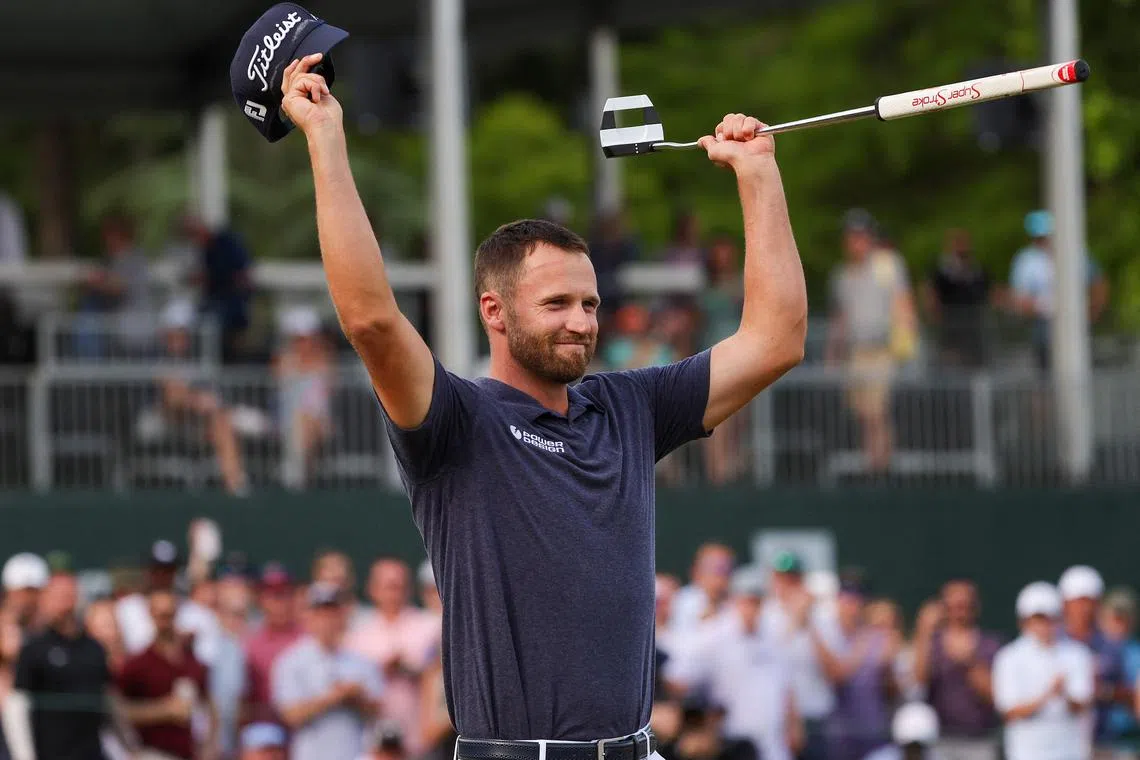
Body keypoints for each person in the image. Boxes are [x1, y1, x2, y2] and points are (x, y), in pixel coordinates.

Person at [273, 30, 805, 760]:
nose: (582, 322)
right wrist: (326, 136)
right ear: (494, 311)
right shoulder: (456, 421)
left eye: (589, 305)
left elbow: (777, 339)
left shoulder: (630, 408)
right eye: (557, 304)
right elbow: (369, 319)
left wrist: (758, 175)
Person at [666, 568, 802, 760]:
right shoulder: (712, 635)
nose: (751, 608)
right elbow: (678, 680)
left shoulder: (773, 636)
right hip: (731, 744)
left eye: (757, 601)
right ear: (734, 600)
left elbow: (785, 685)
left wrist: (794, 724)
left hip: (773, 744)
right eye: (746, 600)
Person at [3, 570, 138, 760]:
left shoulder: (94, 648)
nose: (63, 603)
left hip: (92, 753)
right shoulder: (34, 649)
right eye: (57, 596)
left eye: (68, 595)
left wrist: (130, 745)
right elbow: (17, 707)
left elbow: (109, 700)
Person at [825, 208, 917, 475]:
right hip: (856, 352)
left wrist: (906, 347)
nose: (857, 241)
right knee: (863, 413)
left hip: (882, 350)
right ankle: (872, 463)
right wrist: (833, 354)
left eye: (861, 235)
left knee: (878, 412)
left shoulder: (887, 265)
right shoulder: (842, 275)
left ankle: (880, 465)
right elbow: (840, 319)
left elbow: (903, 305)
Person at [271, 582, 384, 760]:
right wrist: (334, 696)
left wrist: (356, 697)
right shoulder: (291, 661)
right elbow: (290, 715)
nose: (326, 620)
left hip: (355, 753)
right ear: (308, 616)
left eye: (332, 613)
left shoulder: (361, 660)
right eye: (320, 613)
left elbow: (377, 711)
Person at [345, 558, 440, 757]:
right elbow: (351, 687)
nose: (394, 593)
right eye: (389, 586)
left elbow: (439, 680)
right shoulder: (357, 634)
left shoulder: (430, 626)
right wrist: (380, 670)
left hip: (420, 743)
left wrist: (409, 669)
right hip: (373, 744)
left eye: (400, 586)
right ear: (373, 589)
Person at [992, 581, 1094, 760]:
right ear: (1024, 621)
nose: (1045, 625)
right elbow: (1009, 710)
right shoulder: (1009, 657)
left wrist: (1063, 694)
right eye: (1039, 618)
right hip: (1026, 753)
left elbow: (1083, 704)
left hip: (1070, 752)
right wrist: (1047, 695)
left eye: (1050, 618)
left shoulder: (1078, 654)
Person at [116, 588, 219, 760]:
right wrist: (164, 710)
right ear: (150, 615)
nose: (165, 620)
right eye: (160, 614)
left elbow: (211, 706)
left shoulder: (192, 662)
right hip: (151, 752)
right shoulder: (137, 664)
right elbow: (121, 711)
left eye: (169, 614)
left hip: (188, 751)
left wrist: (210, 745)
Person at [911, 579, 1002, 760]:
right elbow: (918, 681)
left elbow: (996, 696)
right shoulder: (932, 644)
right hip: (940, 739)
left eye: (963, 606)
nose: (958, 612)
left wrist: (968, 661)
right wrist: (923, 630)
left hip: (980, 740)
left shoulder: (989, 645)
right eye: (952, 606)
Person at [1009, 209, 1109, 372]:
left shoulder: (1075, 254)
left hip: (1076, 323)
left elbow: (1098, 281)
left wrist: (1093, 312)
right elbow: (1020, 298)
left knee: (1079, 371)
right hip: (1044, 325)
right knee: (1047, 375)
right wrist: (1044, 307)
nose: (1045, 241)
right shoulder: (1026, 260)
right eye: (1040, 237)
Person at [1057, 565, 1130, 759]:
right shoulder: (1052, 643)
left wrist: (1103, 690)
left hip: (1102, 742)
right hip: (1059, 742)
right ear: (1064, 603)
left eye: (1089, 602)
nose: (1083, 609)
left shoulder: (1111, 645)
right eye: (1078, 602)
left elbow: (1129, 693)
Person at [243, 562, 303, 725]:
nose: (279, 603)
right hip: (264, 728)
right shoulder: (250, 643)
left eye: (285, 594)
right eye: (273, 596)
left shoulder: (308, 639)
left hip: (306, 730)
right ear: (261, 599)